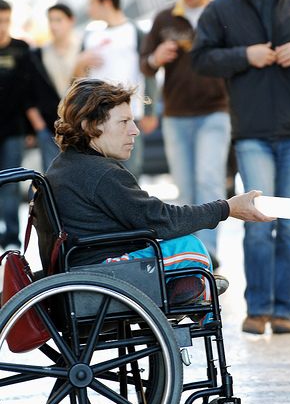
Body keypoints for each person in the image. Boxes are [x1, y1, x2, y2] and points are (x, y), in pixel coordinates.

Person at [45, 78, 274, 311]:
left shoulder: (63, 165)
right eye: (123, 122)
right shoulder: (101, 174)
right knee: (190, 247)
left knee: (181, 250)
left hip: (81, 273)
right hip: (99, 278)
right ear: (88, 125)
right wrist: (227, 208)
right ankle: (196, 298)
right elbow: (161, 220)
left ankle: (190, 292)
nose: (134, 130)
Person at [190, 0, 290, 334]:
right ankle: (257, 309)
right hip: (252, 133)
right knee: (257, 219)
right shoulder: (222, 8)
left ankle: (283, 311)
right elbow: (200, 59)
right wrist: (244, 55)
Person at [139, 0, 230, 270]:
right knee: (185, 187)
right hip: (176, 114)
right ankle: (193, 251)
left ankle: (209, 252)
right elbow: (145, 64)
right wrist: (156, 58)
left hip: (216, 109)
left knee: (209, 177)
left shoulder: (221, 12)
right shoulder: (164, 17)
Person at [74, 0, 158, 179]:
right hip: (96, 117)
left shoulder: (134, 31)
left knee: (129, 173)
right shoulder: (90, 36)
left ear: (106, 2)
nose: (88, 9)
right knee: (98, 173)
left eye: (92, 3)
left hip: (129, 115)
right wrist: (81, 63)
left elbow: (148, 72)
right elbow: (78, 83)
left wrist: (150, 111)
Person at [0, 0, 39, 251]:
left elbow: (31, 92)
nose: (1, 26)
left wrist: (31, 128)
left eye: (5, 20)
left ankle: (11, 237)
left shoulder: (21, 49)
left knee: (11, 185)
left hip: (14, 129)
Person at [28, 3, 82, 172]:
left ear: (71, 21)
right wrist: (40, 127)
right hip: (50, 128)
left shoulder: (84, 49)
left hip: (80, 126)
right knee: (52, 180)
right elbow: (29, 93)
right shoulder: (38, 54)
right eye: (51, 20)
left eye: (59, 20)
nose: (53, 25)